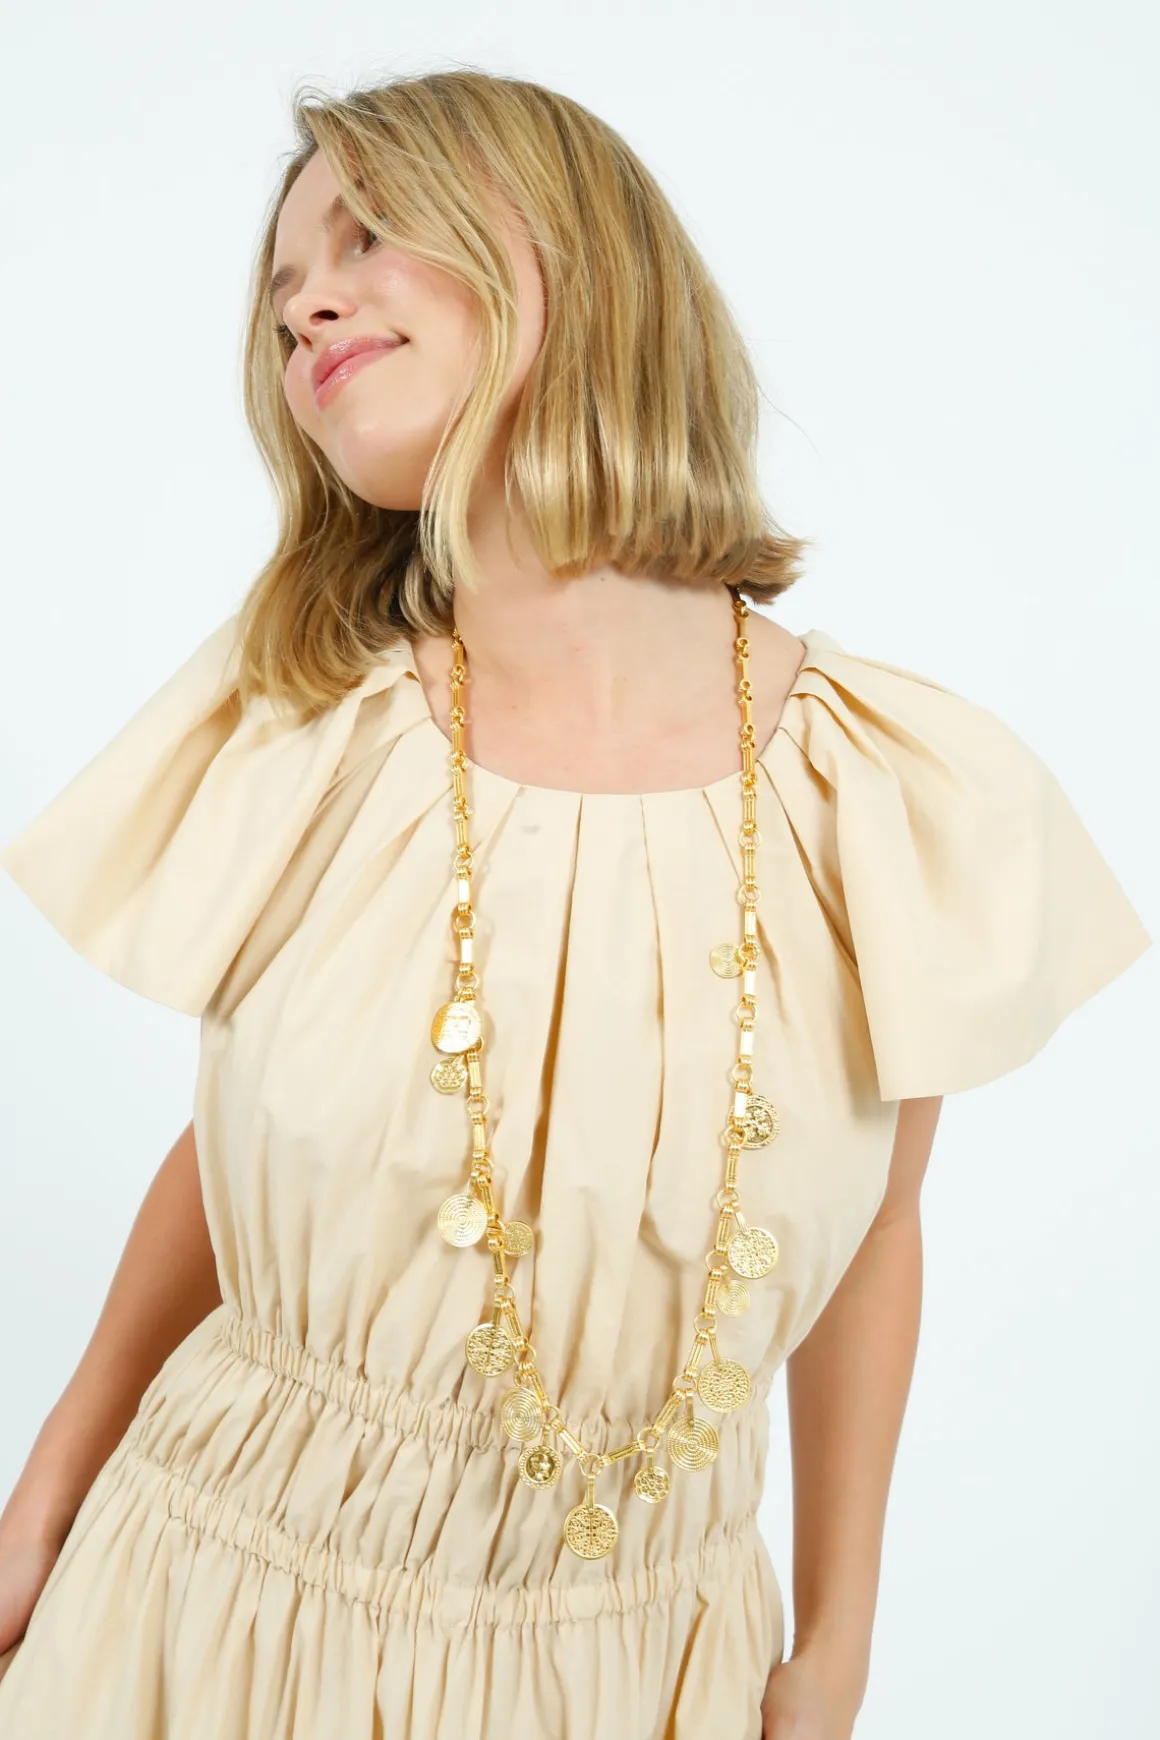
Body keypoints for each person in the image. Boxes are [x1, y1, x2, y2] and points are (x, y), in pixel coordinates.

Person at [0, 67, 1149, 1740]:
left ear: (570, 256)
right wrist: (49, 1485)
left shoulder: (894, 792)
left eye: (367, 235)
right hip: (208, 1599)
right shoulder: (309, 723)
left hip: (637, 1659)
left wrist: (840, 1636)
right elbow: (237, 1152)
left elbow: (875, 1233)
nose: (303, 304)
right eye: (282, 286)